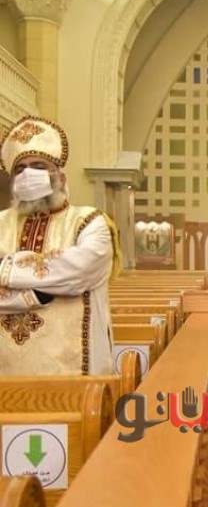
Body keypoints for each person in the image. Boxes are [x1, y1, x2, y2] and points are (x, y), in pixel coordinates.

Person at [0, 115, 120, 374]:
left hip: (76, 375)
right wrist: (36, 294)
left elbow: (79, 272)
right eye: (20, 169)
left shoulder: (90, 221)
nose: (28, 174)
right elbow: (63, 275)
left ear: (61, 177)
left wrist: (5, 269)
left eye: (39, 166)